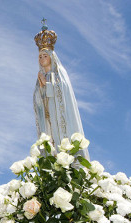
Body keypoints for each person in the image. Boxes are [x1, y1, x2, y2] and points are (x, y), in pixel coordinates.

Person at [33, 20, 89, 159]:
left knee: (63, 145)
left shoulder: (59, 73)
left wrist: (48, 86)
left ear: (51, 57)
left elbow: (63, 91)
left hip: (60, 120)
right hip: (48, 119)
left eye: (45, 56)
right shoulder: (40, 76)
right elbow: (37, 100)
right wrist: (40, 90)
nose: (42, 59)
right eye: (40, 56)